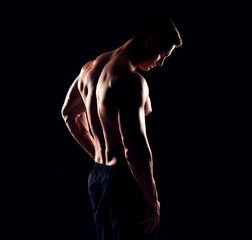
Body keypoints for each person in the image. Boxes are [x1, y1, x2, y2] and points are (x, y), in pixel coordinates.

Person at [61, 16, 182, 240]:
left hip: (98, 179)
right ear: (151, 41)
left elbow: (69, 113)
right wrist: (151, 200)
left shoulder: (89, 69)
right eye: (162, 55)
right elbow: (134, 149)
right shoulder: (131, 80)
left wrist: (98, 154)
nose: (161, 64)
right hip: (124, 184)